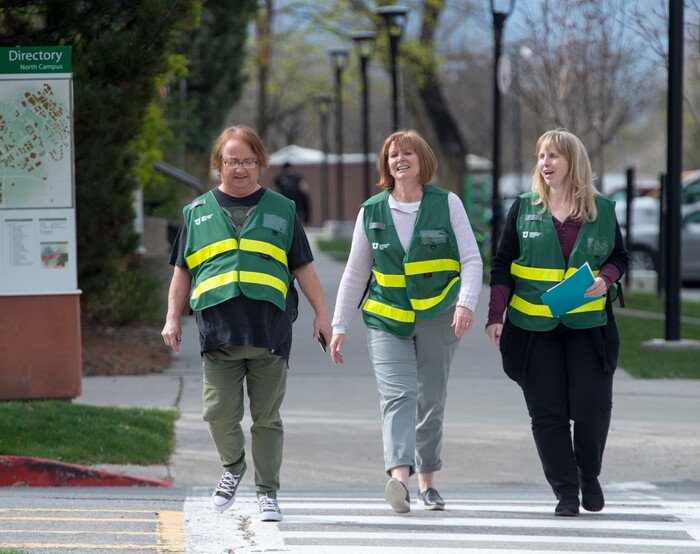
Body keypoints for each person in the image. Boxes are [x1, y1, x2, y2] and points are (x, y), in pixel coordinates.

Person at [161, 124, 332, 522]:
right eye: (232, 160)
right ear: (219, 164)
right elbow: (182, 272)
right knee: (218, 413)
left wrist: (323, 315)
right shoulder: (197, 212)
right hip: (217, 332)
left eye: (249, 161)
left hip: (269, 332)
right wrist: (172, 317)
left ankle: (267, 492)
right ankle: (233, 466)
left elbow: (303, 267)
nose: (240, 169)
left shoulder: (283, 209)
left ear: (260, 164)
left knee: (267, 418)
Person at [329, 129, 483, 513]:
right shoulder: (372, 211)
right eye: (393, 154)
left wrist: (465, 304)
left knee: (431, 399)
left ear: (422, 161)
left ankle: (428, 481)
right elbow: (354, 273)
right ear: (387, 164)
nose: (400, 159)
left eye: (408, 153)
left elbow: (471, 259)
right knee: (399, 395)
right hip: (386, 319)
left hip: (439, 315)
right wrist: (339, 325)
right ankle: (399, 479)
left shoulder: (447, 204)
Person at [485, 128, 629, 517]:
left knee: (592, 408)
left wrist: (606, 279)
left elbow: (620, 257)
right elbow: (501, 266)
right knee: (547, 414)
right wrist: (495, 315)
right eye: (541, 156)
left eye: (553, 156)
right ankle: (565, 492)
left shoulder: (602, 210)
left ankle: (588, 475)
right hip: (534, 331)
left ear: (573, 163)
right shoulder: (523, 208)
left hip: (589, 330)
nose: (545, 163)